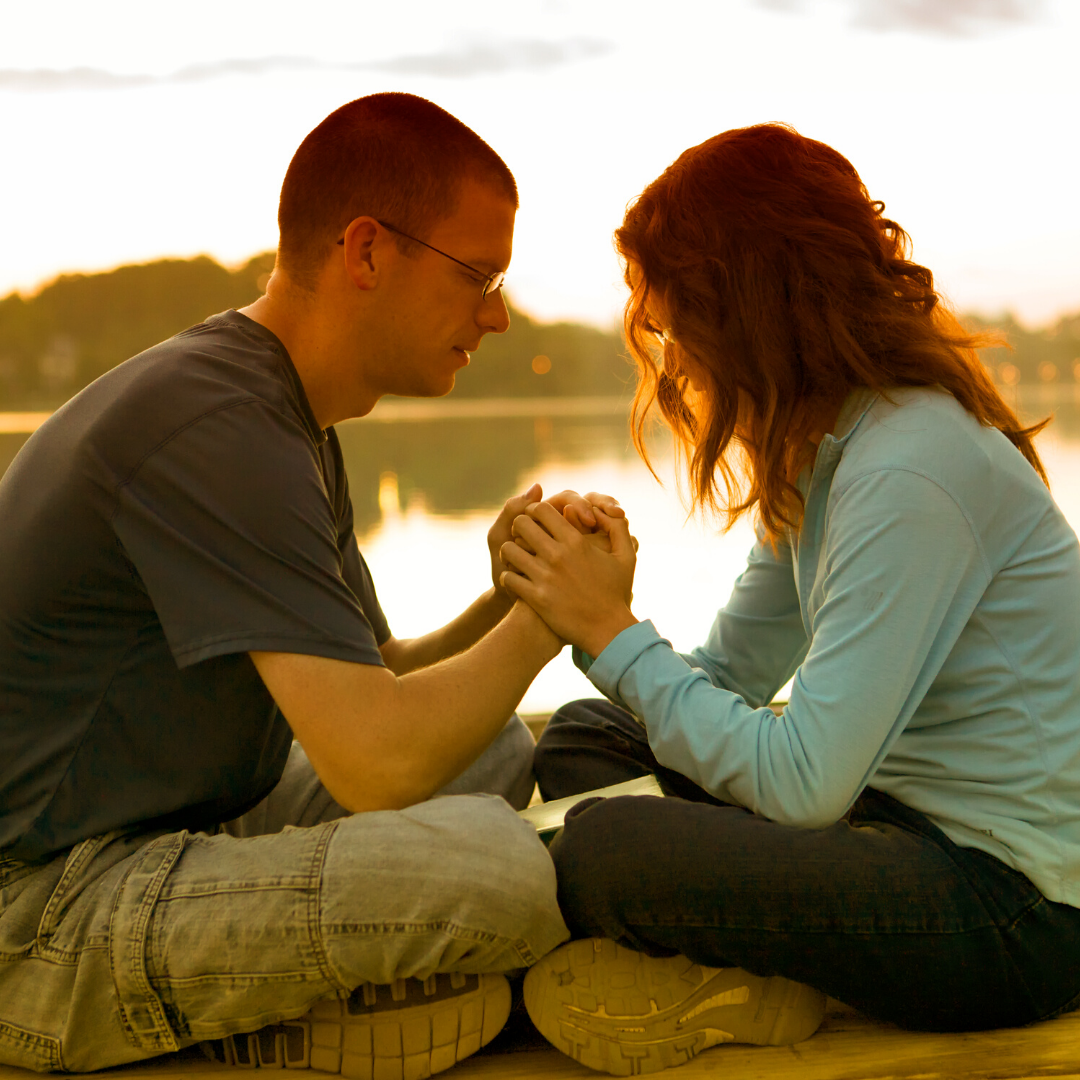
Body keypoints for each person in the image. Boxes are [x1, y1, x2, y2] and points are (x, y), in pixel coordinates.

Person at [0, 92, 627, 1075]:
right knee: (498, 874)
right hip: (38, 910)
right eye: (479, 276)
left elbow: (376, 675)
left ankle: (315, 994)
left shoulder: (283, 415)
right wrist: (550, 620)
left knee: (492, 754)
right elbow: (376, 765)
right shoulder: (217, 426)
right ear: (368, 252)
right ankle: (266, 1021)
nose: (498, 315)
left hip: (173, 826)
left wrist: (509, 592)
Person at [498, 123, 1080, 1076]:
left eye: (669, 317)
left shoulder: (910, 468)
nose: (670, 357)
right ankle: (757, 972)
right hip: (892, 820)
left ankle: (734, 971)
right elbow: (728, 676)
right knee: (587, 739)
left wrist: (613, 629)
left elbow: (806, 785)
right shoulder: (830, 451)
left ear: (745, 302)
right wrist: (594, 610)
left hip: (1018, 910)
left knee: (602, 854)